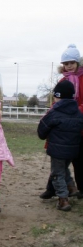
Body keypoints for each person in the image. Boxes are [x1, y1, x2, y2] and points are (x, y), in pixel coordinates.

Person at [40, 44, 83, 200]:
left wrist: (75, 113)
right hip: (63, 125)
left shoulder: (82, 79)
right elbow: (56, 100)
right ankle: (57, 189)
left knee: (74, 161)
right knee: (59, 158)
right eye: (66, 63)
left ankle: (72, 190)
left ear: (77, 62)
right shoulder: (63, 80)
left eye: (71, 62)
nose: (69, 66)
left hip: (77, 123)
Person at [37, 80, 83, 211]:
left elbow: (42, 130)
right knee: (63, 169)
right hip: (73, 150)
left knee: (57, 174)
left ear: (58, 96)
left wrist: (45, 134)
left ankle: (63, 200)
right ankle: (72, 187)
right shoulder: (78, 113)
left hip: (58, 150)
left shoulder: (54, 112)